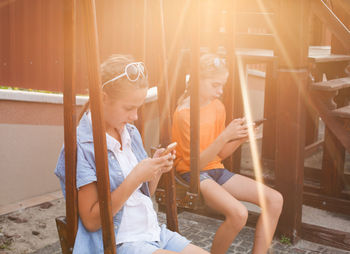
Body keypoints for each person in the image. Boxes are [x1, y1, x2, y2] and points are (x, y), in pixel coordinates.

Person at [55, 54, 209, 254]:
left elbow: (144, 193)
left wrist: (156, 168)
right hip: (119, 242)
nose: (135, 116)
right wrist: (136, 175)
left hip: (152, 233)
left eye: (138, 108)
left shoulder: (130, 132)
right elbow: (92, 221)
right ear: (102, 98)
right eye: (129, 108)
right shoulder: (80, 146)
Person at [172, 53, 283, 254]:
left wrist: (241, 138)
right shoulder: (183, 114)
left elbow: (219, 155)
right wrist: (225, 136)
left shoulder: (217, 107)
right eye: (215, 85)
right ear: (198, 80)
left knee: (275, 199)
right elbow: (194, 166)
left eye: (222, 85)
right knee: (238, 214)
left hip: (214, 169)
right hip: (191, 175)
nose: (220, 91)